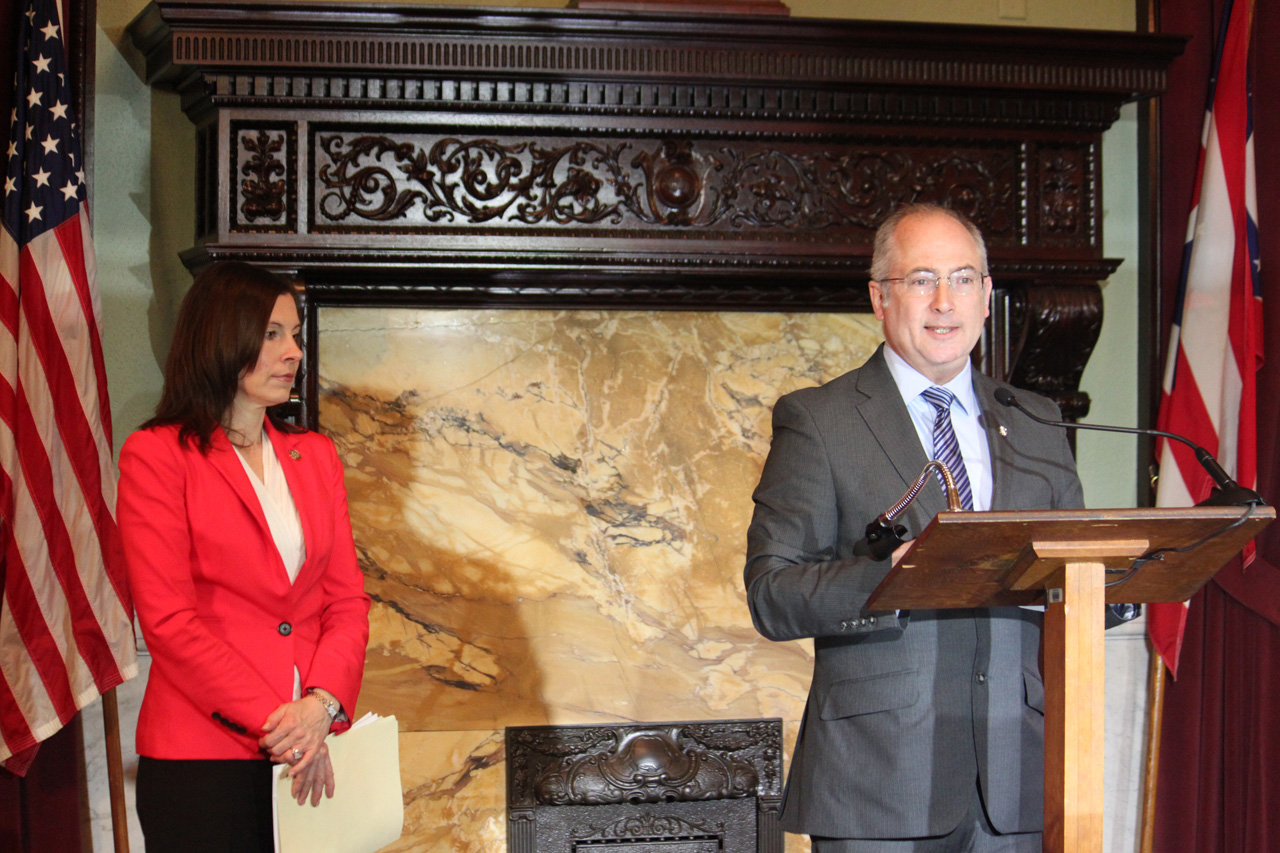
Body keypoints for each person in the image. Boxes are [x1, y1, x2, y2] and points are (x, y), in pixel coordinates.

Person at [744, 203, 1084, 852]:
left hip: (1016, 783)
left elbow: (1075, 573)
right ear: (880, 297)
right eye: (921, 279)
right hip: (876, 781)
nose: (943, 301)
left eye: (962, 278)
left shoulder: (1037, 422)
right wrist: (886, 579)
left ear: (987, 297)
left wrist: (1123, 586)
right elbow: (771, 591)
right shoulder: (820, 420)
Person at [117, 261, 371, 852]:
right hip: (202, 763)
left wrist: (321, 706)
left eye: (296, 335)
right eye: (273, 334)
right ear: (220, 337)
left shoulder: (316, 456)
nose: (294, 354)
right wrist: (286, 726)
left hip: (312, 755)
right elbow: (169, 623)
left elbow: (347, 601)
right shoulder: (156, 456)